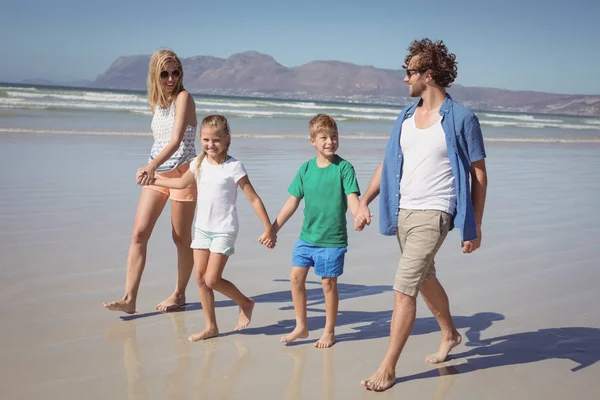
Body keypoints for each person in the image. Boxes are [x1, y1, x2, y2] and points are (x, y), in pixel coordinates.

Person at [354, 39, 488, 391]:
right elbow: (388, 164)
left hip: (436, 212)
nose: (405, 79)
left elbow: (479, 173)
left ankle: (388, 366)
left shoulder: (461, 118)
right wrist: (365, 200)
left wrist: (475, 223)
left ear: (428, 75)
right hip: (404, 212)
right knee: (424, 278)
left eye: (409, 72)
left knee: (403, 289)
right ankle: (451, 335)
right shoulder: (405, 117)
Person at [144, 114, 276, 341]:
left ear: (227, 140)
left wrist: (268, 228)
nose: (210, 145)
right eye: (205, 140)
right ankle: (211, 326)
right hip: (202, 228)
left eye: (216, 140)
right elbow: (180, 183)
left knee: (212, 279)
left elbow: (253, 198)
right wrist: (153, 179)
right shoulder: (198, 163)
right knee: (199, 278)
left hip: (224, 228)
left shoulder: (234, 167)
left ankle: (245, 302)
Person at [104, 50, 198, 314]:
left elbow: (176, 140)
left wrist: (150, 166)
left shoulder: (184, 97)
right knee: (139, 234)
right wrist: (151, 169)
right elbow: (159, 141)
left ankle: (179, 294)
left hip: (182, 175)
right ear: (155, 75)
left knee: (180, 239)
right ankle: (129, 298)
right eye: (164, 73)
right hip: (157, 177)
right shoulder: (156, 103)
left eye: (175, 72)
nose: (170, 78)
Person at [272, 114, 360, 348]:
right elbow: (292, 202)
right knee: (295, 278)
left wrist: (358, 214)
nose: (330, 141)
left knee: (328, 284)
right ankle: (301, 326)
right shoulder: (306, 169)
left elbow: (352, 198)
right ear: (312, 141)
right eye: (324, 137)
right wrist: (274, 228)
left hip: (332, 240)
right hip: (307, 238)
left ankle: (329, 331)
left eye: (334, 136)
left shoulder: (344, 168)